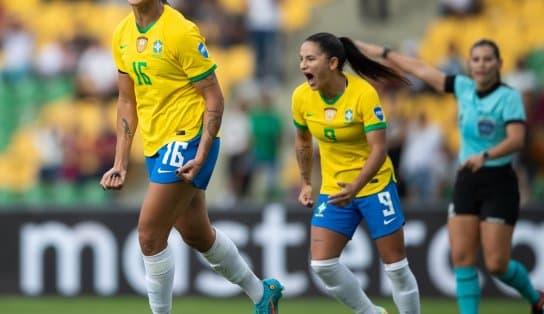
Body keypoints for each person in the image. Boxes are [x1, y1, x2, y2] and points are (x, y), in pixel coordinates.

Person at [99, 1, 283, 313]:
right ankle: (262, 294)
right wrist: (121, 161)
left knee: (148, 234)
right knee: (197, 234)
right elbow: (126, 100)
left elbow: (214, 96)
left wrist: (202, 151)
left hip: (188, 138)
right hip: (157, 145)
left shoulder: (180, 31)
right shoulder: (122, 33)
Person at [355, 38, 544, 314]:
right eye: (476, 59)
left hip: (498, 180)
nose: (481, 64)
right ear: (470, 64)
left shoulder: (508, 97)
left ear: (499, 64)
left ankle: (536, 298)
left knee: (496, 264)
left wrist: (486, 156)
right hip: (467, 180)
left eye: (488, 59)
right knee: (461, 256)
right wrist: (382, 52)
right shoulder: (463, 87)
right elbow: (420, 69)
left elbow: (517, 139)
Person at [292, 32, 420, 314]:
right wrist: (305, 183)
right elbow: (302, 141)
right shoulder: (301, 97)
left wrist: (357, 185)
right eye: (301, 59)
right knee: (322, 264)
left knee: (396, 267)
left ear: (333, 63)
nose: (303, 65)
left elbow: (379, 149)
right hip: (335, 190)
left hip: (374, 185)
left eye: (310, 59)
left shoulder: (363, 93)